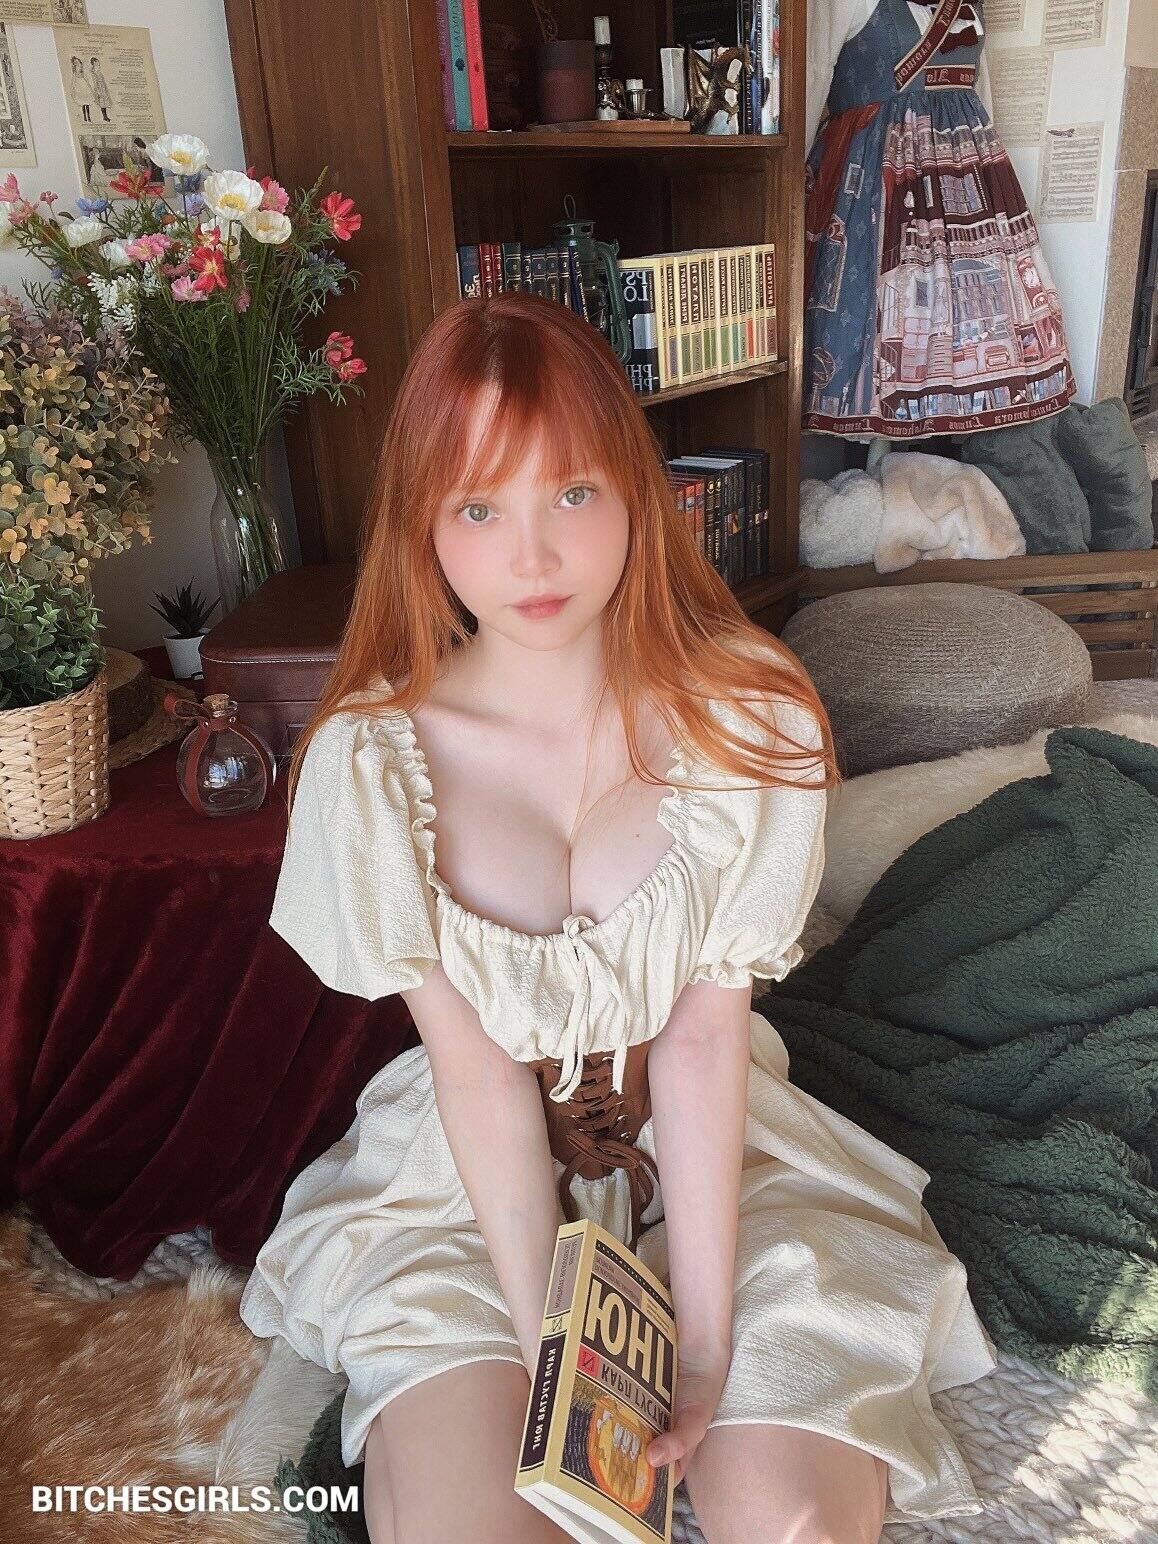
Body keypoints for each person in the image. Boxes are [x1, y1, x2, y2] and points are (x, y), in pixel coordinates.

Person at [238, 291, 997, 1542]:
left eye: (573, 493)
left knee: (791, 1522)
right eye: (479, 508)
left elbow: (701, 1039)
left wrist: (703, 1343)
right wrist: (560, 1342)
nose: (532, 558)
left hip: (720, 1147)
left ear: (641, 493)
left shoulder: (749, 716)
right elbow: (476, 1074)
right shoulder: (369, 761)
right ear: (421, 523)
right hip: (469, 1180)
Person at [803, 0, 1076, 438]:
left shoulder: (971, 5)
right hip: (874, 174)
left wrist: (989, 178)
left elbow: (980, 95)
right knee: (876, 302)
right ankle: (869, 434)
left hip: (964, 174)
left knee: (966, 308)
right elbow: (810, 81)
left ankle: (940, 445)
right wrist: (792, 174)